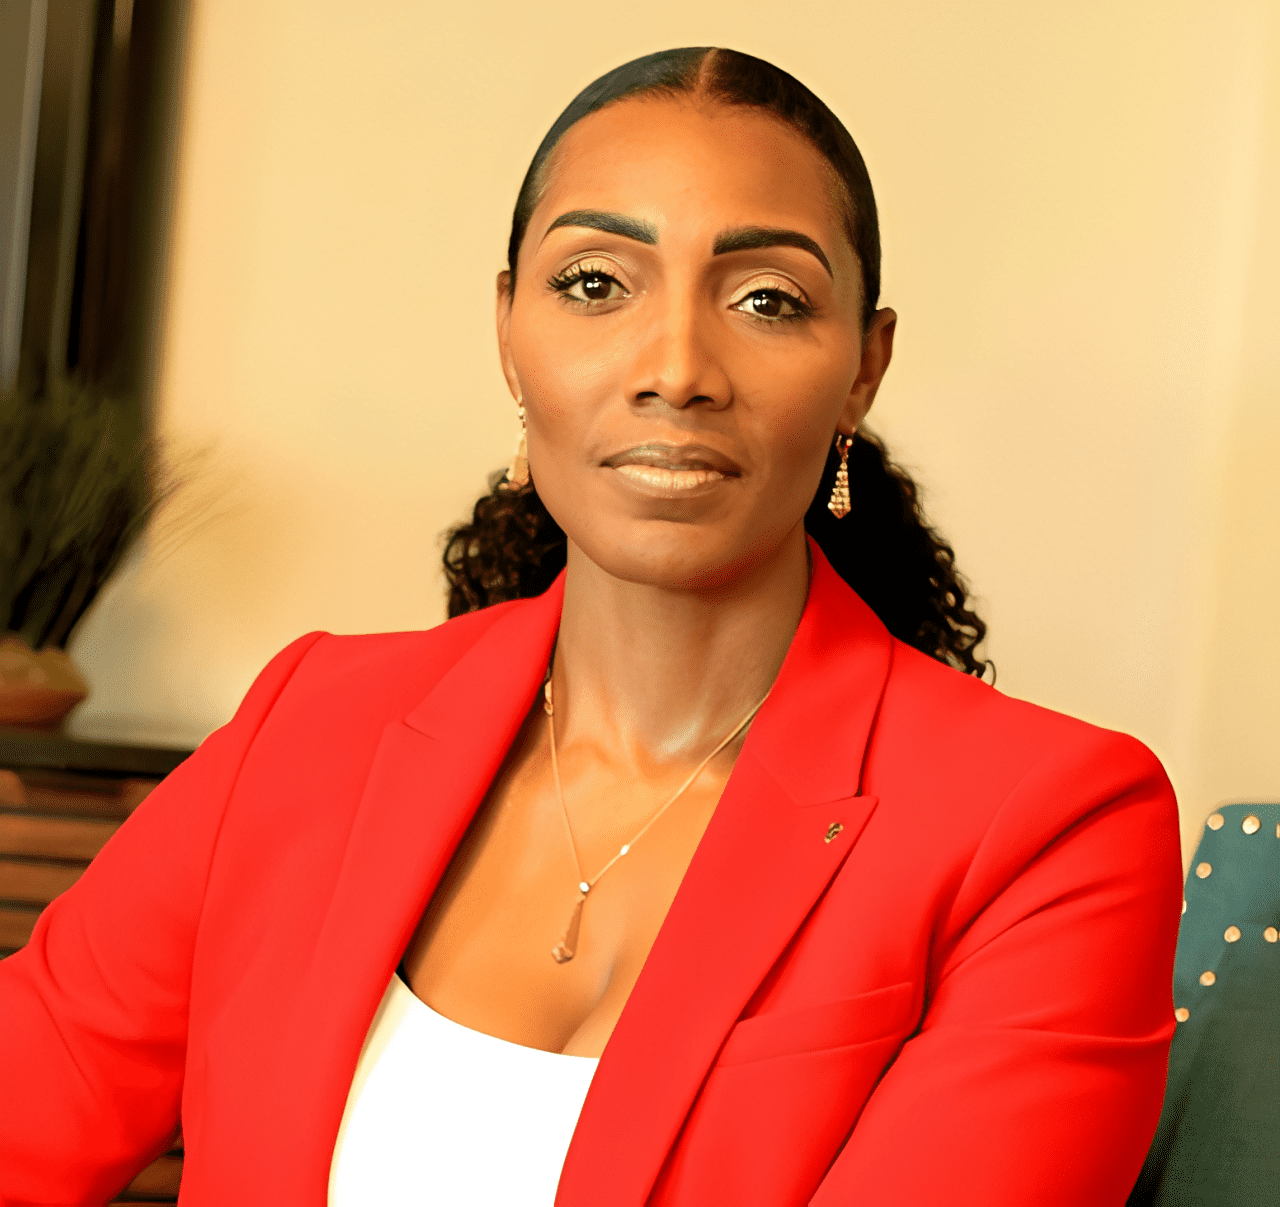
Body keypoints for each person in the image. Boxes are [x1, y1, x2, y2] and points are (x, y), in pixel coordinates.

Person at [0, 47, 1182, 1206]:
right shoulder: (308, 722)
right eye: (594, 284)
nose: (675, 368)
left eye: (766, 299)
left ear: (861, 371)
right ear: (508, 329)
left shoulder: (1054, 830)